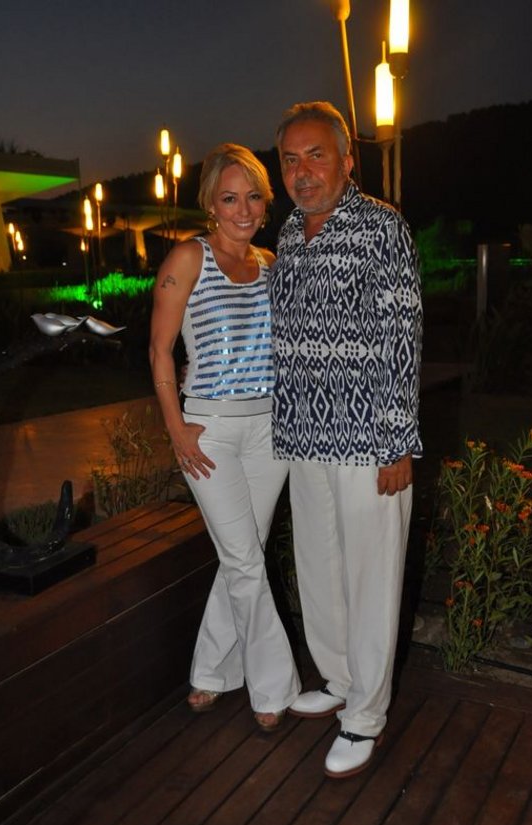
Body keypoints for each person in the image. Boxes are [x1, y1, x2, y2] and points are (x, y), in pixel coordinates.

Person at [269, 102, 422, 777]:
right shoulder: (288, 234)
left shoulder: (383, 227)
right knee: (320, 569)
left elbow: (402, 337)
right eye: (291, 160)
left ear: (346, 159)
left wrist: (398, 441)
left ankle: (366, 715)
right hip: (305, 434)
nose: (303, 172)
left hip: (368, 438)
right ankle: (337, 678)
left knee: (371, 577)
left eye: (316, 155)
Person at [149, 143, 301, 731]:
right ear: (211, 204)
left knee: (244, 556)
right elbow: (160, 350)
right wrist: (176, 428)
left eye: (253, 197)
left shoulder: (271, 263)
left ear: (266, 201)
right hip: (209, 429)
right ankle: (275, 685)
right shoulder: (189, 257)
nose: (244, 209)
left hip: (271, 429)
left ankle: (212, 671)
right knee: (242, 557)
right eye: (230, 198)